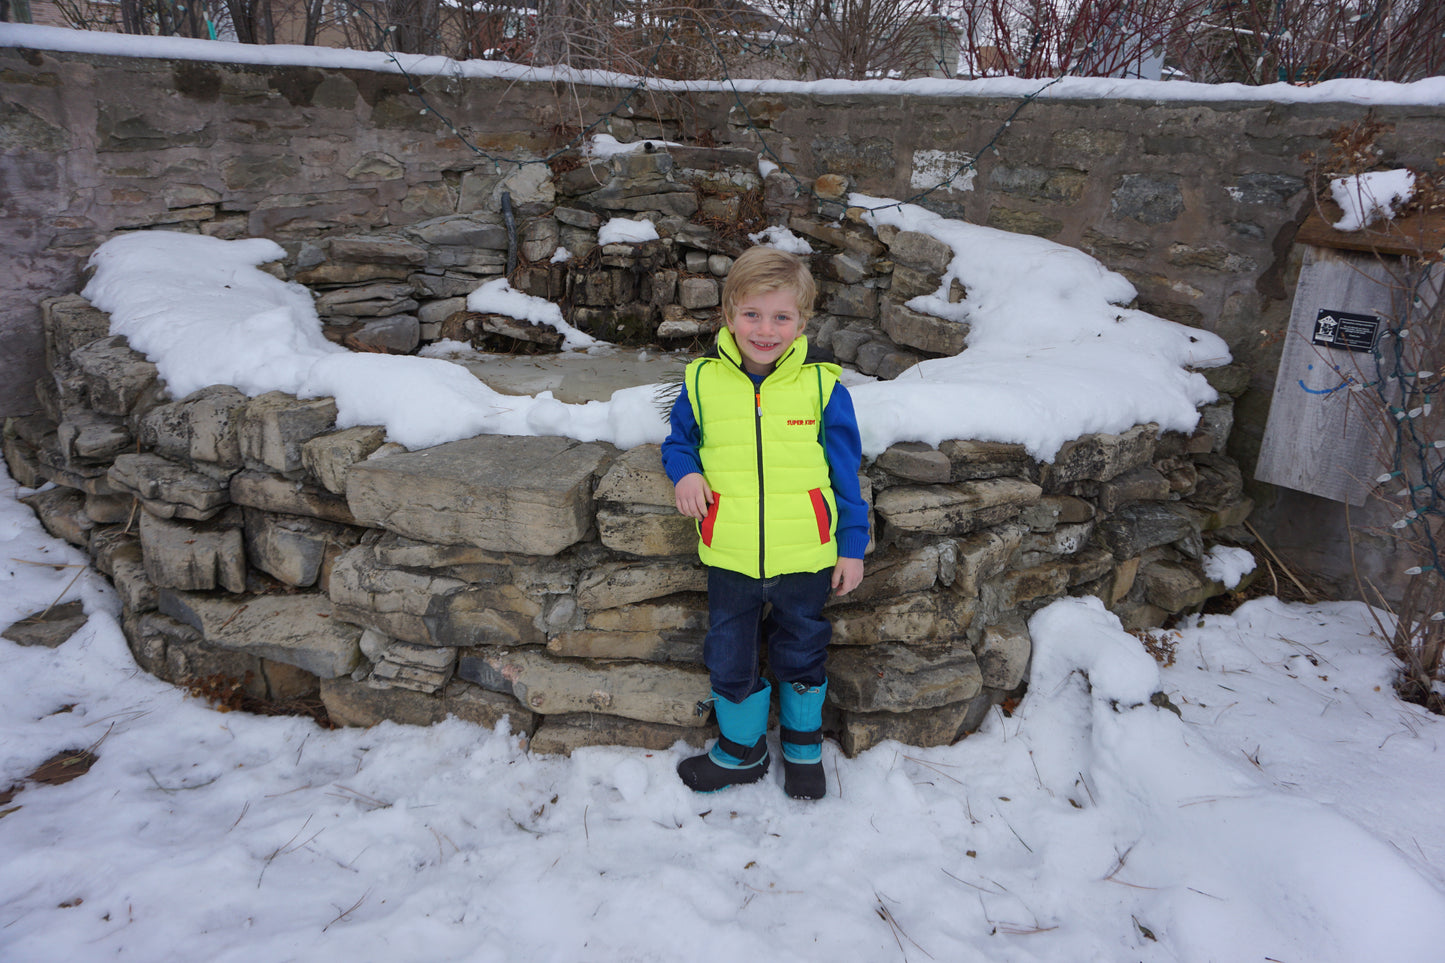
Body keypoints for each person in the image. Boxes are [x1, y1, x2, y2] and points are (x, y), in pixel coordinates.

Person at [661, 246, 869, 800]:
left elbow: (846, 475)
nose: (766, 329)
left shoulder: (823, 388)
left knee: (802, 646)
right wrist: (685, 474)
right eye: (752, 314)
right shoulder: (703, 381)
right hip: (729, 552)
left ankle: (803, 747)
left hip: (806, 553)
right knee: (728, 650)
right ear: (729, 314)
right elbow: (679, 441)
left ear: (803, 321)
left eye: (782, 317)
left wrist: (851, 546)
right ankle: (741, 751)